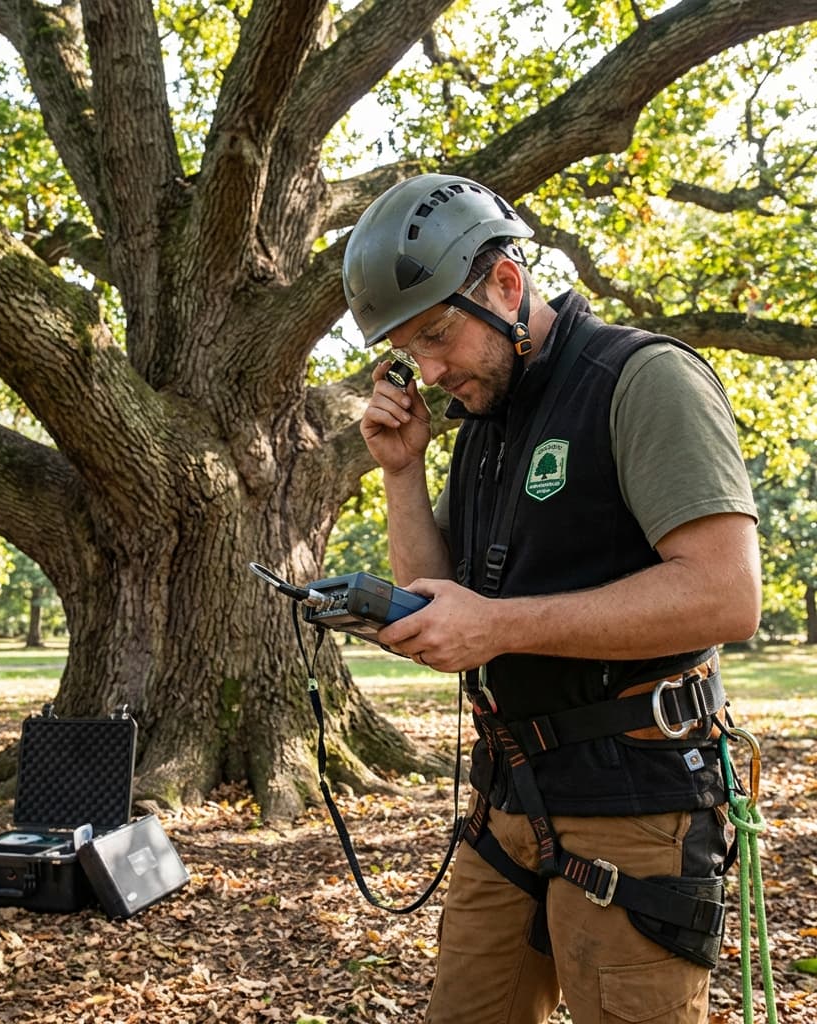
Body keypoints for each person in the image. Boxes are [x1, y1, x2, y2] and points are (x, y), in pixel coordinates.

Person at [345, 174, 761, 1024]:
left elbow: (726, 595)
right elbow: (439, 595)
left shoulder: (642, 379)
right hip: (508, 797)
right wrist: (402, 471)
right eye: (407, 351)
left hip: (633, 801)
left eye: (437, 335)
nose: (429, 371)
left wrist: (498, 626)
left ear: (506, 284)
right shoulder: (484, 421)